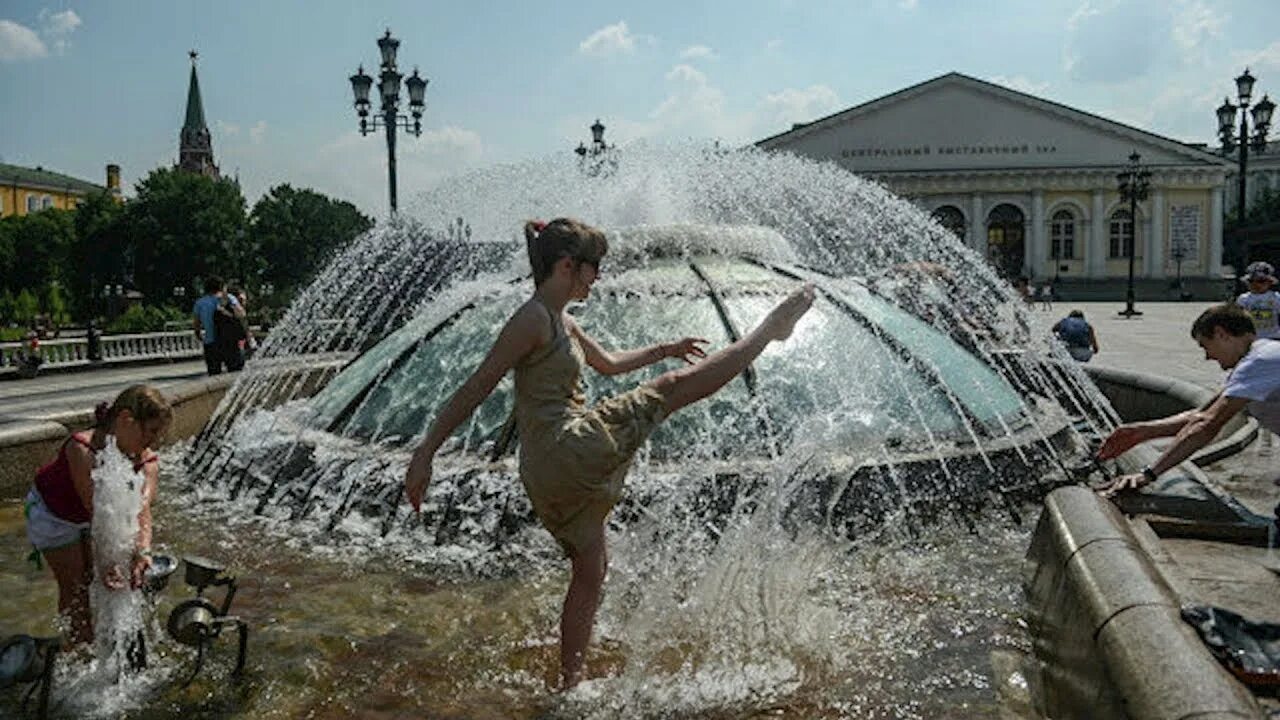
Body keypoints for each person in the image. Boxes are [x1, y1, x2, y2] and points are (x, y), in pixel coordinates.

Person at [403, 218, 815, 689]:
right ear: (566, 266)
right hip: (566, 449)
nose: (597, 277)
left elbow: (610, 364)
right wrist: (426, 452)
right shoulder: (532, 319)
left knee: (591, 570)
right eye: (592, 268)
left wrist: (667, 346)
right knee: (670, 389)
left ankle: (569, 683)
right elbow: (478, 383)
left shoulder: (561, 320)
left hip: (547, 470)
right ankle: (768, 332)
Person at [24, 385, 172, 646]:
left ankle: (102, 646)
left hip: (91, 516)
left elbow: (142, 509)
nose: (155, 441)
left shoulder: (147, 460)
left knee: (108, 582)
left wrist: (143, 552)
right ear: (126, 419)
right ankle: (77, 655)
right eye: (151, 431)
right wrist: (108, 560)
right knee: (77, 586)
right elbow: (96, 510)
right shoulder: (82, 449)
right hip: (55, 515)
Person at [1095, 304, 1279, 497]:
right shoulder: (1260, 356)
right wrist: (1142, 432)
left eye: (1205, 345)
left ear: (1220, 334)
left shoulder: (1258, 362)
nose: (1207, 356)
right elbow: (1200, 414)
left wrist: (1148, 474)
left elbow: (1207, 425)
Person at [192, 276, 244, 375]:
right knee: (235, 373)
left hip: (211, 343)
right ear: (221, 287)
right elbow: (241, 314)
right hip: (229, 342)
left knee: (214, 375)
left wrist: (198, 334)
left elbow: (196, 324)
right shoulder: (229, 298)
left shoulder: (200, 303)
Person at [1235, 261, 1280, 340]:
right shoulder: (1243, 299)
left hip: (1273, 337)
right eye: (1251, 281)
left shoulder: (1276, 297)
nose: (1256, 284)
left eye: (1261, 281)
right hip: (1252, 338)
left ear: (1269, 282)